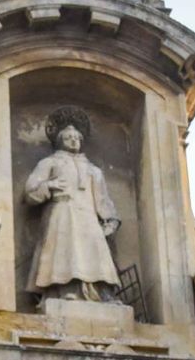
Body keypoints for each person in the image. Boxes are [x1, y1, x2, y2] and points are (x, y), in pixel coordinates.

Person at [24, 105, 122, 302]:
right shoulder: (50, 163)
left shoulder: (94, 170)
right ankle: (63, 290)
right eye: (69, 138)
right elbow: (29, 192)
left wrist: (111, 220)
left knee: (96, 253)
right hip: (62, 214)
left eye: (77, 138)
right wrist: (49, 185)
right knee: (64, 252)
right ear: (60, 141)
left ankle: (102, 292)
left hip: (88, 217)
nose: (74, 141)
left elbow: (102, 199)